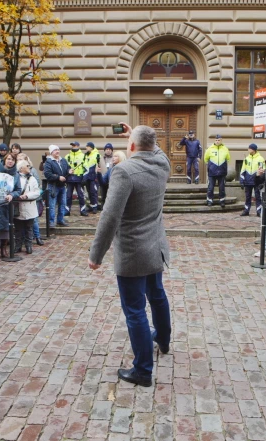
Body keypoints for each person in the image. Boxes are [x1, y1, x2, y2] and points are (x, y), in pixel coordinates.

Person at [89, 123, 171, 387]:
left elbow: (110, 216)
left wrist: (96, 254)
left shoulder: (124, 171)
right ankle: (164, 339)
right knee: (157, 296)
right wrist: (136, 133)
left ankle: (143, 370)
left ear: (133, 146)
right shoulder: (163, 164)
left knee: (135, 310)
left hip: (134, 251)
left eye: (129, 142)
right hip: (155, 247)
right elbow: (156, 149)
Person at [0, 154, 21, 260]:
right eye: (9, 159)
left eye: (13, 160)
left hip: (7, 204)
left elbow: (18, 190)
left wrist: (12, 195)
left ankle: (4, 250)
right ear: (5, 160)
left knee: (6, 227)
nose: (10, 161)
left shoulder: (16, 175)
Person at [15, 160, 41, 254]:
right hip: (18, 206)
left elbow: (37, 192)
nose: (29, 167)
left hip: (30, 206)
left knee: (29, 227)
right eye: (27, 166)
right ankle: (18, 246)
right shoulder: (15, 178)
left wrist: (27, 196)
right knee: (18, 228)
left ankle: (28, 245)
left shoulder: (32, 179)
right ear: (21, 168)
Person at [43, 145, 70, 227]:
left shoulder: (63, 160)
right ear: (51, 152)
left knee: (63, 203)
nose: (57, 151)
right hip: (53, 186)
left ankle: (60, 220)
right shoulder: (49, 162)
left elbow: (67, 168)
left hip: (62, 186)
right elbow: (47, 174)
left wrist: (69, 170)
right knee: (52, 205)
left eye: (58, 150)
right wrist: (58, 177)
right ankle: (51, 222)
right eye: (55, 150)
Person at [204, 134, 230, 207]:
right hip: (212, 172)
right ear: (214, 141)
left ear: (221, 140)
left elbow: (228, 158)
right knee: (211, 187)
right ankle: (209, 200)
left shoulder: (225, 149)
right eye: (216, 140)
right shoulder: (210, 149)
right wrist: (210, 166)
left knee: (222, 188)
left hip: (222, 172)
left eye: (219, 140)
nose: (217, 141)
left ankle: (222, 201)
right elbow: (206, 159)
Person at [239, 143, 265, 216]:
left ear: (253, 150)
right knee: (247, 197)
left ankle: (259, 211)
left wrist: (261, 182)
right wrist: (241, 181)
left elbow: (262, 171)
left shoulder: (260, 159)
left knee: (257, 197)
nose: (248, 149)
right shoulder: (246, 159)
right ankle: (246, 210)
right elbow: (243, 170)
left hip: (256, 181)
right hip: (247, 180)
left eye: (250, 148)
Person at [65, 141, 88, 216]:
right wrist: (68, 171)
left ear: (78, 146)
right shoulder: (67, 156)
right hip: (69, 179)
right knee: (68, 196)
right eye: (72, 145)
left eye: (74, 145)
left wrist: (84, 178)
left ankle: (83, 210)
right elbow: (64, 168)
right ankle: (67, 210)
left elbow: (86, 169)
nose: (73, 147)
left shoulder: (83, 156)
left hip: (79, 179)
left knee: (81, 196)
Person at [83, 142, 101, 214]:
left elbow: (98, 164)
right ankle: (91, 206)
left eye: (87, 146)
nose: (86, 148)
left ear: (91, 147)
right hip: (87, 176)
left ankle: (95, 207)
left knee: (94, 192)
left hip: (94, 177)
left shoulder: (96, 154)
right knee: (89, 192)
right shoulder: (86, 155)